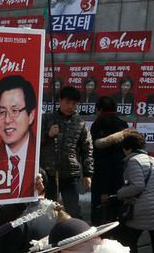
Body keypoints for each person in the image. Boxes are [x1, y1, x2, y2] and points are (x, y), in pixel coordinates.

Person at [0, 75, 38, 200]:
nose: (7, 120)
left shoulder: (41, 158)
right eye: (2, 112)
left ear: (31, 115)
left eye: (15, 111)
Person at [41, 85, 94, 219]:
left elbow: (87, 149)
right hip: (49, 172)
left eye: (74, 103)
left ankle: (75, 236)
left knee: (73, 210)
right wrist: (48, 134)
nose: (71, 106)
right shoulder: (47, 119)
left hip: (70, 173)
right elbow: (33, 142)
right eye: (68, 102)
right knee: (48, 210)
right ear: (60, 100)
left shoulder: (80, 123)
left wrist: (88, 174)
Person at [115, 130, 154, 253]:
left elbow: (138, 186)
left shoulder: (133, 161)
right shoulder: (153, 160)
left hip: (142, 209)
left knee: (127, 242)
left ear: (127, 148)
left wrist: (120, 193)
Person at [89, 96, 129, 225]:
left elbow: (102, 160)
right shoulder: (124, 125)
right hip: (120, 177)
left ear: (99, 109)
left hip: (101, 177)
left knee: (99, 217)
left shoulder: (97, 124)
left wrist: (103, 190)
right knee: (116, 214)